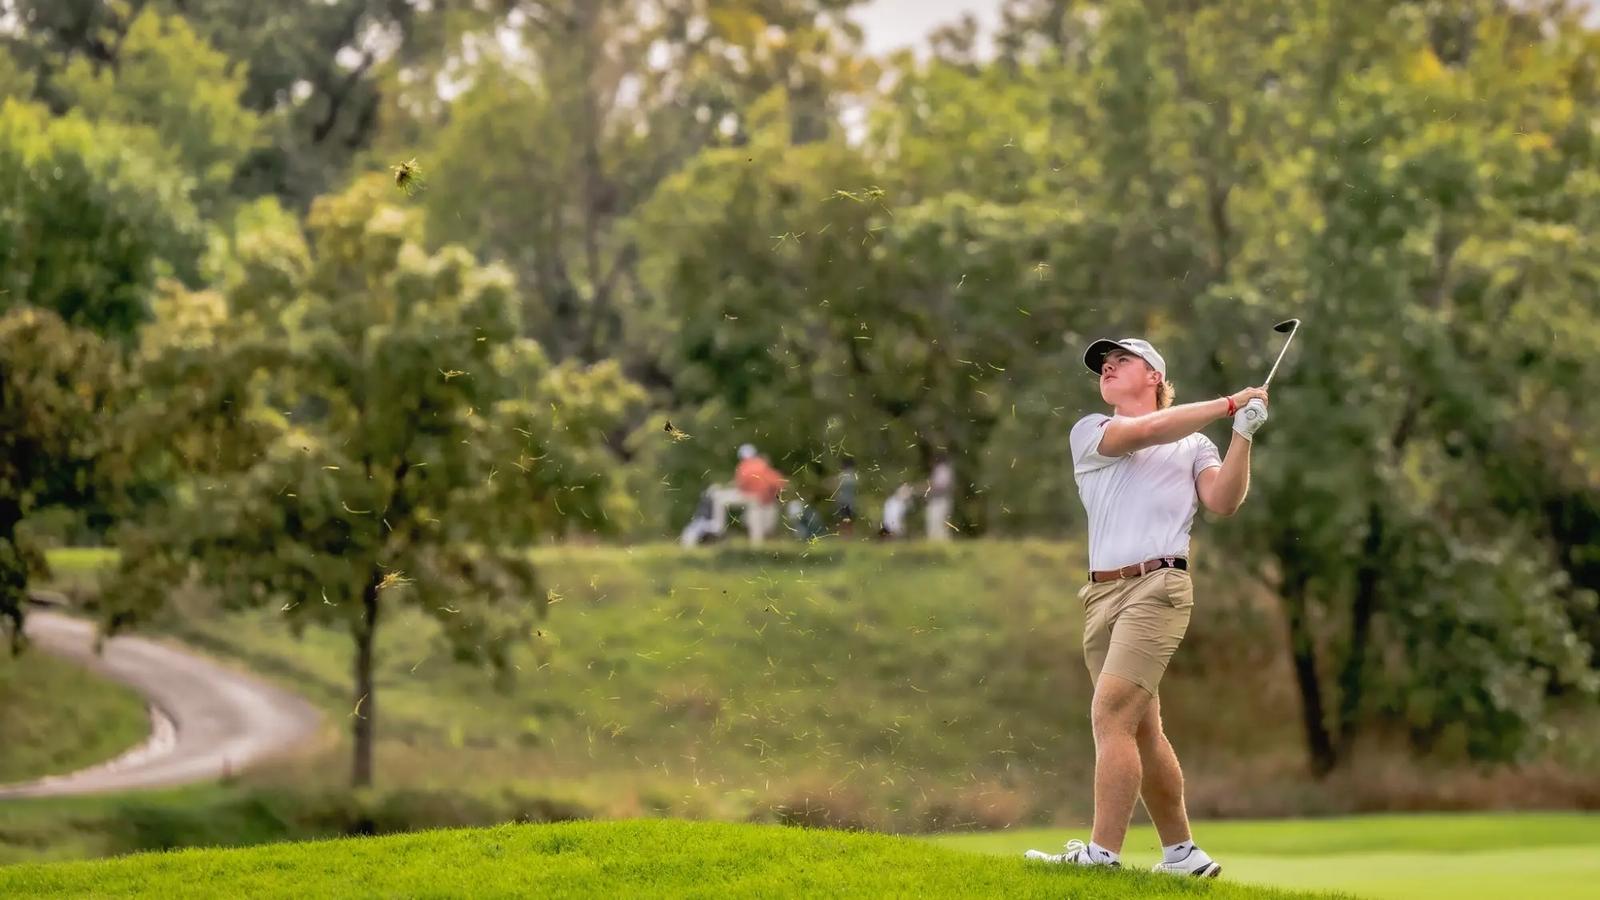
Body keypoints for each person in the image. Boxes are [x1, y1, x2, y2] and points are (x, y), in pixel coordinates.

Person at [1025, 337, 1268, 877]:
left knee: (1110, 713)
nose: (1107, 369)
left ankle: (1101, 856)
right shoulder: (1093, 430)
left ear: (1154, 376)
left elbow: (1223, 502)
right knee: (1141, 729)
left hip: (1157, 587)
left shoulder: (1196, 445)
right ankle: (1183, 854)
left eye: (1121, 361)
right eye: (1102, 366)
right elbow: (1149, 431)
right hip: (1099, 596)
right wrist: (1229, 403)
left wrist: (1242, 436)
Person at [734, 444, 786, 545]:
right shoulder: (761, 467)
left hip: (763, 502)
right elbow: (779, 485)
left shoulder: (747, 467)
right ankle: (758, 545)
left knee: (762, 527)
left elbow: (741, 484)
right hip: (762, 502)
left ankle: (758, 545)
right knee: (760, 527)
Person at [924, 454, 955, 541]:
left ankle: (940, 542)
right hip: (937, 499)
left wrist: (928, 487)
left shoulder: (943, 470)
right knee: (935, 522)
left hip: (941, 500)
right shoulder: (941, 470)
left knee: (939, 522)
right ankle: (936, 542)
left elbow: (942, 486)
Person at [832, 457, 858, 536]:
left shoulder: (846, 475)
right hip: (849, 501)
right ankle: (847, 535)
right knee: (847, 519)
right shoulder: (853, 475)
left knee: (845, 519)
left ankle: (845, 536)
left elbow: (837, 485)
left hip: (845, 501)